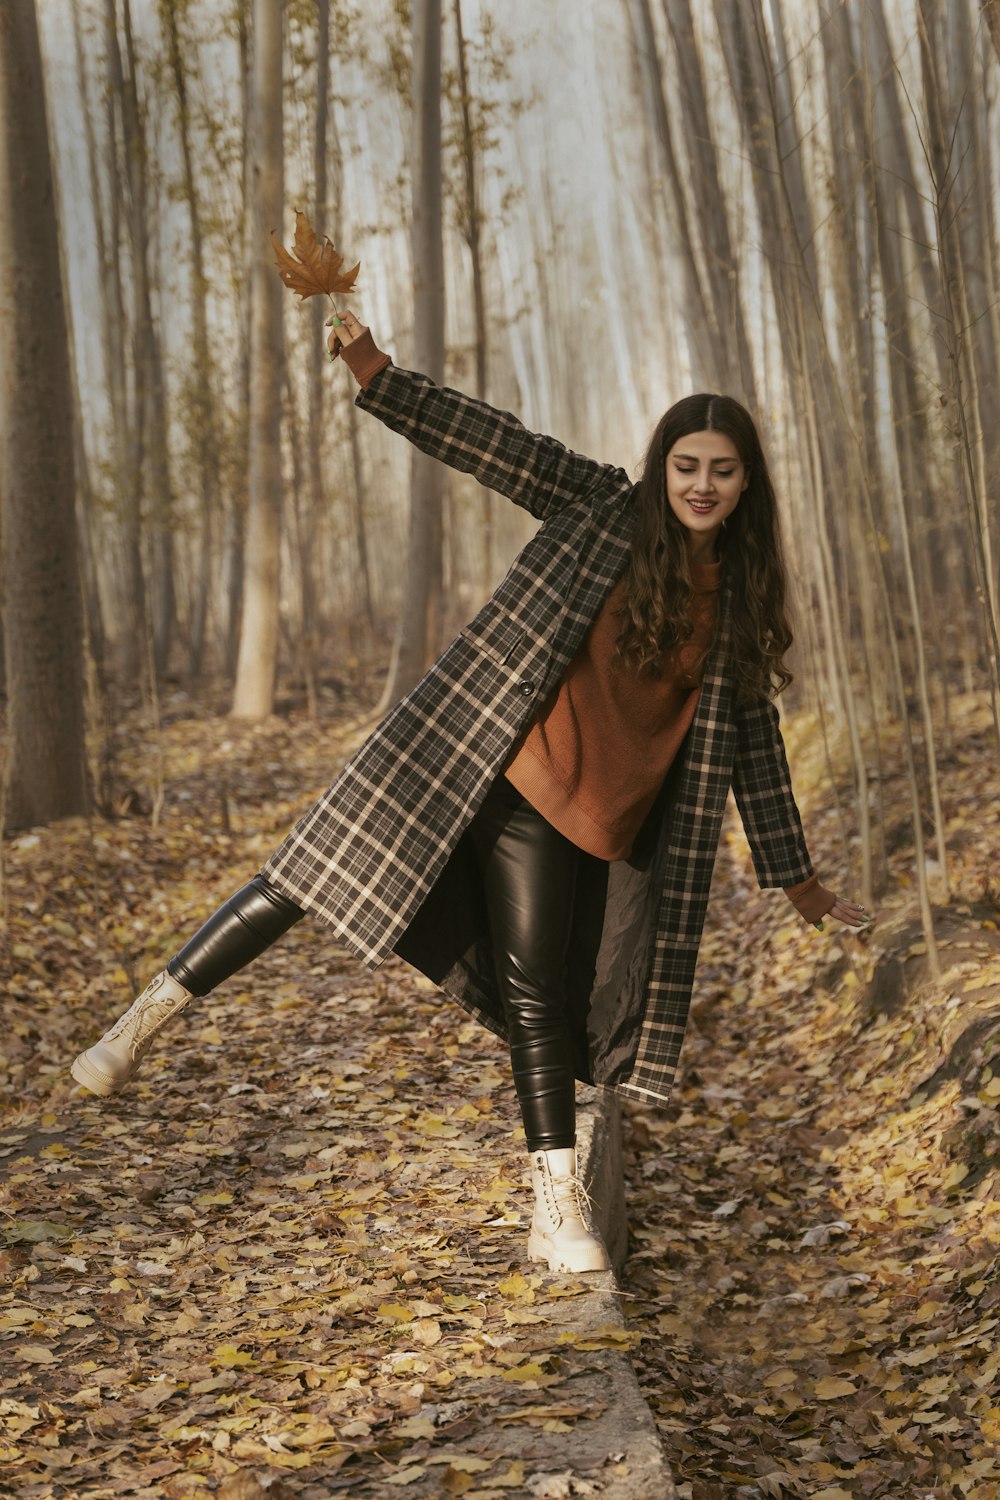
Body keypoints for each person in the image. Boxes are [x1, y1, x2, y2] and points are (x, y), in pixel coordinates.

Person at [72, 310, 872, 1274]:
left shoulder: (738, 599)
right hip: (498, 764)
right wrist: (374, 370)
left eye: (723, 471)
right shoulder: (598, 511)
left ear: (746, 486)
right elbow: (494, 444)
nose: (703, 485)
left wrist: (799, 883)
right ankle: (143, 1020)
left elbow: (757, 749)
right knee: (316, 871)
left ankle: (552, 1204)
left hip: (601, 824)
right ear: (663, 469)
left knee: (549, 1003)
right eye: (688, 466)